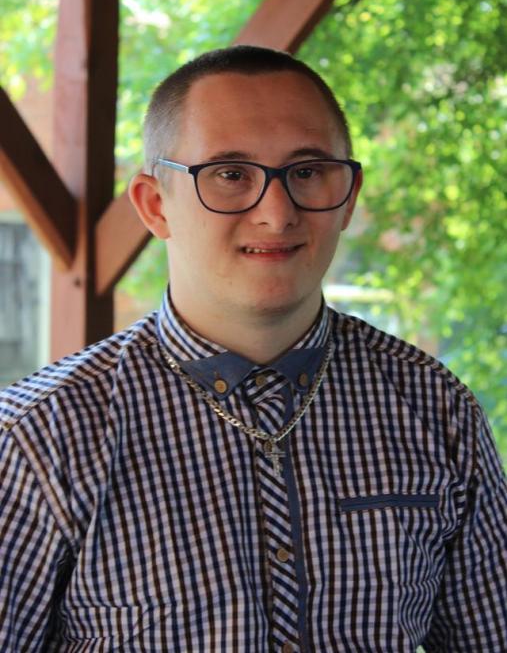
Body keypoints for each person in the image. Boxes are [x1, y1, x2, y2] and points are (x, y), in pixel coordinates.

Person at [0, 45, 506, 653]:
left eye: (307, 171)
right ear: (156, 205)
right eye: (231, 174)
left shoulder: (435, 409)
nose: (277, 212)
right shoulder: (42, 437)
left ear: (348, 195)